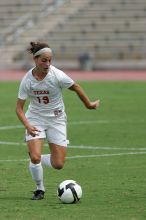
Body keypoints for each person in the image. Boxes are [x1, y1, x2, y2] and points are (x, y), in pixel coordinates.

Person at [16, 41, 100, 200]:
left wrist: (88, 104)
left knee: (58, 164)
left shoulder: (58, 75)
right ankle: (39, 189)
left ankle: (38, 158)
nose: (47, 64)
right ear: (35, 59)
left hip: (57, 119)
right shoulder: (27, 80)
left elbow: (76, 86)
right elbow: (19, 108)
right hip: (35, 118)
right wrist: (27, 124)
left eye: (50, 60)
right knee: (34, 157)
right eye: (44, 60)